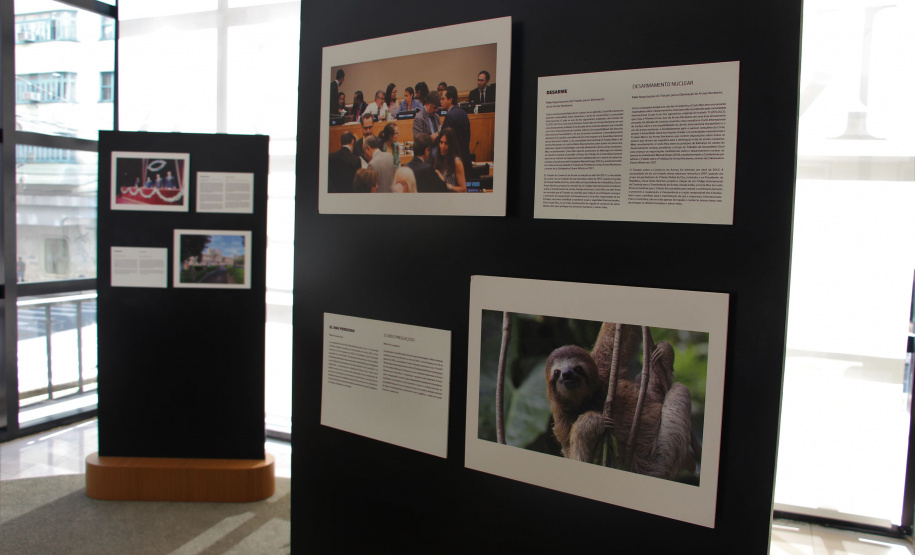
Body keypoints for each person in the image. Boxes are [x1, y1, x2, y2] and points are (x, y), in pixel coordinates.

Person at [440, 85, 471, 176]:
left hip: (454, 162)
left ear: (450, 100)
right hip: (465, 158)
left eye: (443, 98)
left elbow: (445, 139)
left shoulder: (450, 116)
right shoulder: (463, 113)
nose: (440, 101)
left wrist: (435, 138)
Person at [434, 128, 466, 192]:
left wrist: (447, 186)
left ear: (451, 145)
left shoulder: (457, 162)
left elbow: (463, 189)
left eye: (446, 143)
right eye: (441, 142)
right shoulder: (439, 158)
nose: (443, 146)